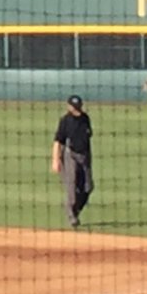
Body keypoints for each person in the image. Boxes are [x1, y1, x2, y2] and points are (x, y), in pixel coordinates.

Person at [51, 94, 93, 229]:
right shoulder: (65, 121)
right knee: (72, 187)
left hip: (85, 155)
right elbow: (58, 141)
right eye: (74, 107)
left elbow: (87, 137)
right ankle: (71, 216)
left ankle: (75, 210)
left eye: (78, 106)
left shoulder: (85, 118)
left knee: (88, 187)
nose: (77, 109)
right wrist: (56, 160)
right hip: (70, 155)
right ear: (69, 107)